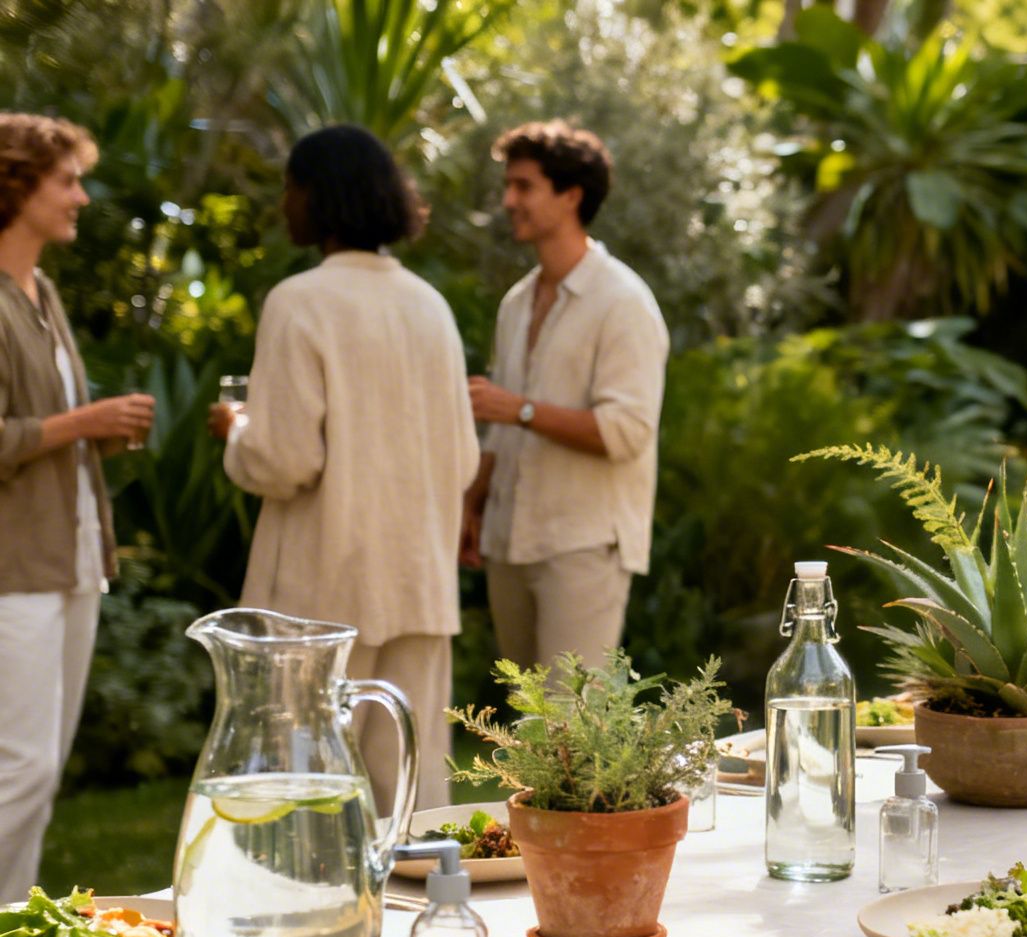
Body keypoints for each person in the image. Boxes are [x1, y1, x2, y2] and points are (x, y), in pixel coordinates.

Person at [208, 125, 477, 815]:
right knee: (412, 797)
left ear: (319, 196)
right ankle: (422, 919)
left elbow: (285, 459)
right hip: (419, 580)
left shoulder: (299, 301)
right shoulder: (429, 306)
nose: (283, 203)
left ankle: (312, 920)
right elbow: (465, 457)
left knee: (304, 794)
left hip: (321, 594)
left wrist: (237, 433)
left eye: (290, 186)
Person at [0, 114, 155, 896]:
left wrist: (96, 434)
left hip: (72, 558)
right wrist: (82, 423)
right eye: (66, 180)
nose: (81, 197)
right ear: (16, 183)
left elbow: (42, 431)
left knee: (41, 767)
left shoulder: (42, 290)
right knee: (19, 767)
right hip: (13, 567)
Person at [462, 121, 667, 675]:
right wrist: (472, 503)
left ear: (571, 196)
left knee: (573, 731)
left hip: (584, 545)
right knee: (530, 729)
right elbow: (497, 427)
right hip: (510, 540)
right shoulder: (516, 304)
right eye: (509, 186)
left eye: (524, 187)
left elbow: (627, 432)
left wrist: (521, 410)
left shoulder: (624, 302)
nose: (508, 201)